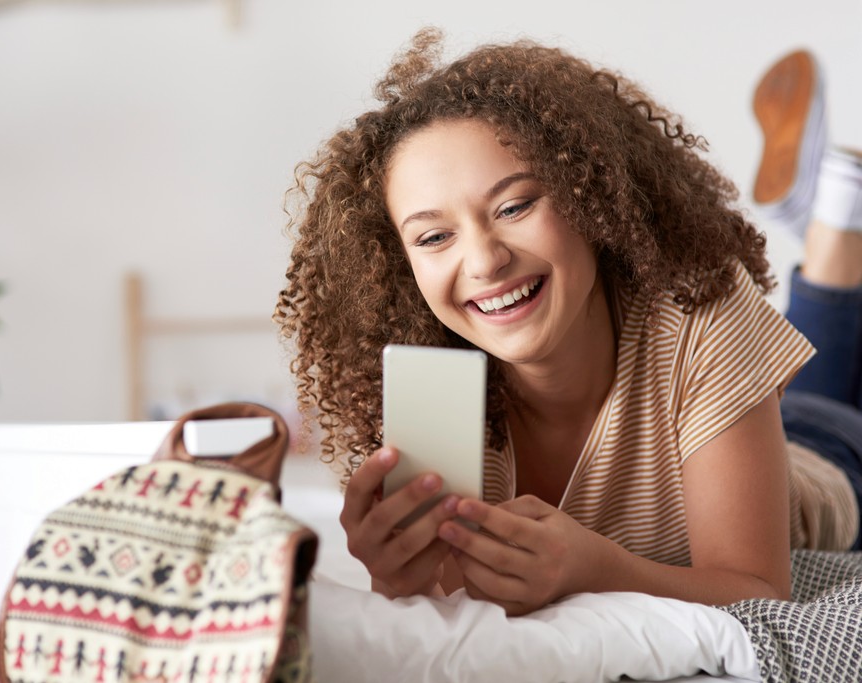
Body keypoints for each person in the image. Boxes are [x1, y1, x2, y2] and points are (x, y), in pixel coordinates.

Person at [273, 30, 862, 616]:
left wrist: (596, 570)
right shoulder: (428, 392)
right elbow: (453, 609)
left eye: (515, 206)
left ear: (591, 198)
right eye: (433, 237)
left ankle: (836, 230)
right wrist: (399, 579)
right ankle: (832, 213)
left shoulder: (696, 304)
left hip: (829, 456)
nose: (483, 262)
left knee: (821, 405)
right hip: (739, 414)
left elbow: (758, 589)